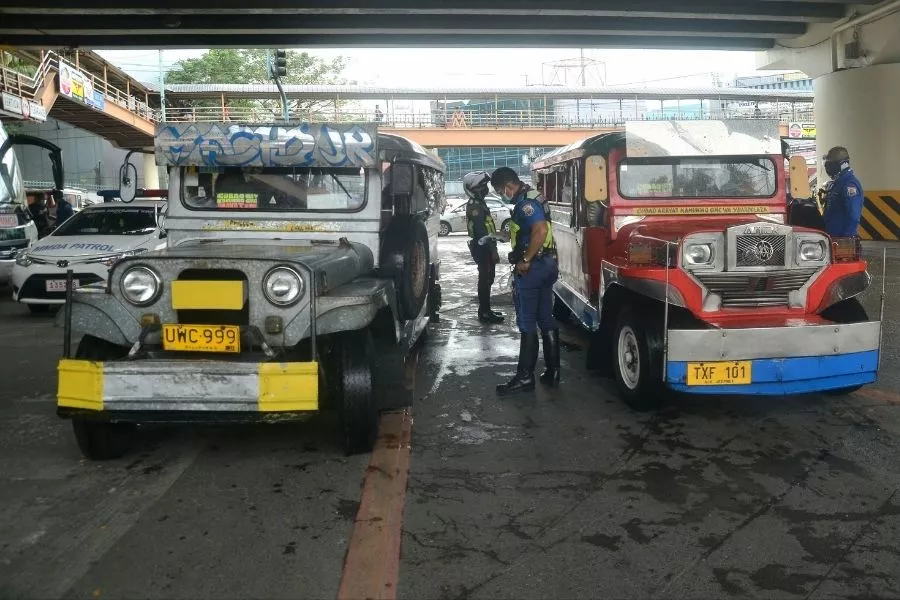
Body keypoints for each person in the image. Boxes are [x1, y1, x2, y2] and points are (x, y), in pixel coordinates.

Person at [490, 167, 560, 395]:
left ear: (507, 186)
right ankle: (552, 372)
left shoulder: (525, 204)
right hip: (547, 264)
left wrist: (526, 259)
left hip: (534, 267)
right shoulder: (532, 196)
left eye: (500, 190)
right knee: (545, 318)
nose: (501, 194)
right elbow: (531, 232)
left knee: (527, 320)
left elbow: (539, 230)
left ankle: (525, 378)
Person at [463, 171, 504, 324]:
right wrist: (493, 251)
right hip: (483, 248)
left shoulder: (479, 203)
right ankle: (485, 312)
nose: (485, 189)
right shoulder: (476, 206)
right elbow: (481, 232)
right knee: (485, 279)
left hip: (485, 246)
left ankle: (486, 310)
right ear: (473, 189)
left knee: (488, 278)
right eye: (482, 186)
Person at [821, 146, 864, 238]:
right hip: (831, 237)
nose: (828, 168)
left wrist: (846, 238)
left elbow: (853, 216)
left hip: (842, 240)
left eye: (831, 165)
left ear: (843, 164)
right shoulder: (837, 184)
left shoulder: (849, 184)